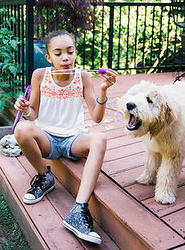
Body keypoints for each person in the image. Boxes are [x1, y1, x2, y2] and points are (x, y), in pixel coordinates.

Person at [13, 30, 117, 244]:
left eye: (69, 52)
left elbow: (96, 118)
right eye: (58, 53)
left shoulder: (83, 77)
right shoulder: (40, 75)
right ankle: (45, 176)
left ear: (76, 53)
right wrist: (24, 109)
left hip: (73, 140)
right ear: (49, 57)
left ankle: (79, 210)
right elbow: (33, 115)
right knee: (22, 129)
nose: (65, 58)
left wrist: (104, 90)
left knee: (100, 138)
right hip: (47, 139)